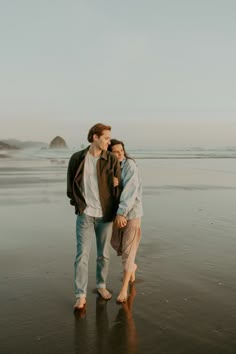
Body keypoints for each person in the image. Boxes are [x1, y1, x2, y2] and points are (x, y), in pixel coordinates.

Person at [67, 124, 121, 310]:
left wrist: (115, 188)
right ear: (95, 137)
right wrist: (79, 206)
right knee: (82, 255)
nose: (109, 141)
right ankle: (80, 295)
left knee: (103, 255)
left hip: (105, 215)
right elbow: (70, 187)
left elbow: (118, 186)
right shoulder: (77, 158)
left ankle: (101, 286)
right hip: (86, 215)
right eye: (106, 138)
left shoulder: (112, 159)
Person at [108, 139, 143, 303]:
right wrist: (113, 183)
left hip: (131, 213)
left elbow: (130, 190)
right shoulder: (113, 168)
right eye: (115, 151)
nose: (120, 153)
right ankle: (132, 268)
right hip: (118, 213)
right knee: (117, 244)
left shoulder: (129, 165)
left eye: (121, 150)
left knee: (128, 252)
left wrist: (121, 213)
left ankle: (124, 290)